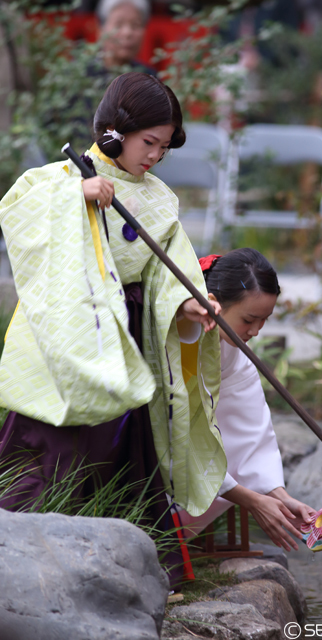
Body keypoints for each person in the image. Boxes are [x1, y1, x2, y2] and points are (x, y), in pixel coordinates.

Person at [0, 73, 227, 566]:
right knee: (56, 438)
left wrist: (188, 302)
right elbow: (17, 213)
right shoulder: (58, 178)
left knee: (119, 443)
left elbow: (168, 269)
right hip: (69, 328)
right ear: (114, 131)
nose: (154, 156)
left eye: (164, 147)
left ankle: (120, 558)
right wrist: (76, 194)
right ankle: (25, 548)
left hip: (128, 328)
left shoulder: (161, 198)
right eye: (148, 142)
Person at [177, 249, 316, 551]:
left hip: (192, 449)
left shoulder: (235, 352)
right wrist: (253, 500)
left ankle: (177, 541)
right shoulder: (178, 338)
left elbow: (251, 429)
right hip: (158, 445)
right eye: (249, 319)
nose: (255, 331)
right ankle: (166, 539)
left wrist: (280, 496)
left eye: (264, 320)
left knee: (231, 449)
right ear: (212, 303)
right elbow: (177, 431)